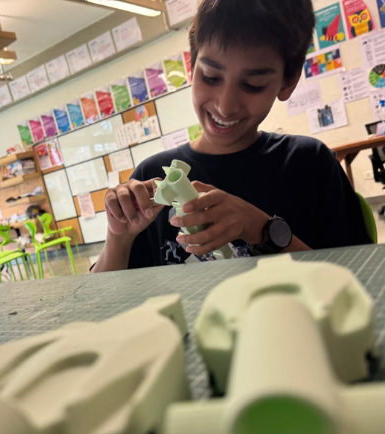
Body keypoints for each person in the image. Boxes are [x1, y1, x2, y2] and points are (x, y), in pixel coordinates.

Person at [92, 0, 371, 273]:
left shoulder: (310, 164)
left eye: (252, 84)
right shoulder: (150, 175)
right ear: (192, 67)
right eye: (211, 77)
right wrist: (119, 238)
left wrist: (262, 229)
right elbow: (105, 295)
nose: (225, 106)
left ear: (288, 81)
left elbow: (361, 278)